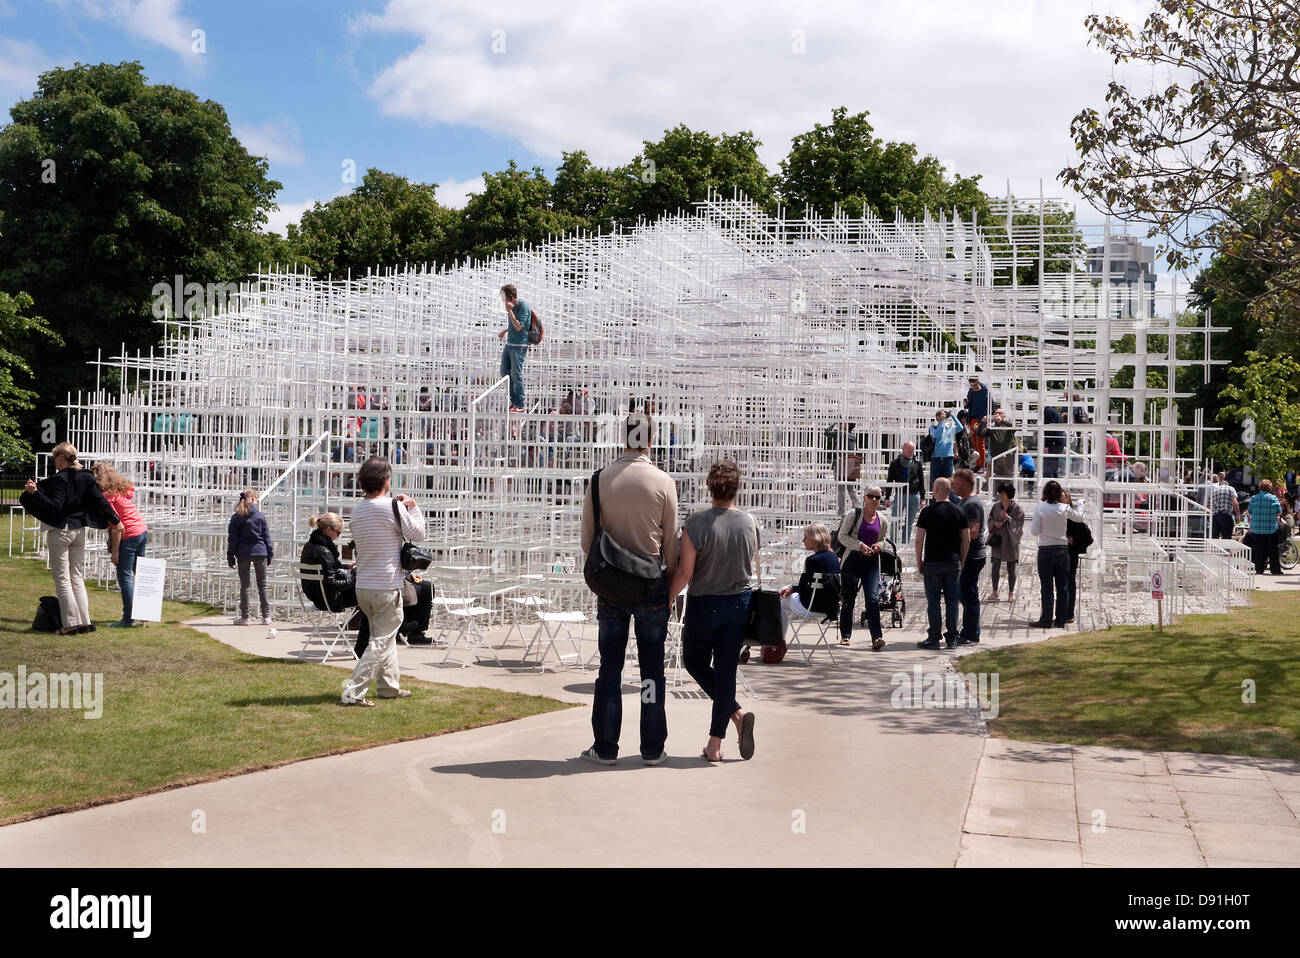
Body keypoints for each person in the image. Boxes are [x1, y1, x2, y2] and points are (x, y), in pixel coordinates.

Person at [579, 411, 679, 766]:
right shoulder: (663, 481)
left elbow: (587, 541)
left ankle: (605, 746)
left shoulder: (600, 479)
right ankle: (652, 748)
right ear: (650, 440)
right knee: (652, 671)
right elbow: (670, 545)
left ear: (622, 436)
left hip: (612, 586)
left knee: (610, 669)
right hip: (651, 584)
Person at [668, 460, 757, 763]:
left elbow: (685, 572)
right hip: (738, 603)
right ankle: (722, 735)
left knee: (693, 661)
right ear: (737, 488)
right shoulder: (749, 523)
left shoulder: (696, 523)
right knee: (725, 672)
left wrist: (669, 597)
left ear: (709, 487)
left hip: (705, 603)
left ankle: (723, 734)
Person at [341, 457, 426, 706]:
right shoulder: (392, 507)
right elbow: (418, 533)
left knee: (383, 637)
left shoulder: (357, 510)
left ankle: (389, 687)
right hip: (386, 584)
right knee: (380, 641)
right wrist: (413, 507)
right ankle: (353, 691)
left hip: (364, 585)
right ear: (385, 481)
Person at [19, 442, 122, 635]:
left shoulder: (60, 479)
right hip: (79, 530)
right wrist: (115, 519)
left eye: (55, 458)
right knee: (76, 576)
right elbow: (100, 501)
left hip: (61, 531)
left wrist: (36, 493)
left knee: (62, 579)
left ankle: (70, 624)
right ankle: (85, 621)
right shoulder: (86, 477)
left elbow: (55, 507)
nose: (54, 462)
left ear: (60, 458)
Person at [914, 477, 970, 650]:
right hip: (953, 561)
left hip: (933, 562)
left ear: (936, 490)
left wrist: (919, 560)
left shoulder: (927, 512)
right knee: (952, 602)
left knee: (934, 602)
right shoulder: (959, 512)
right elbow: (966, 539)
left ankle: (934, 637)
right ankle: (952, 638)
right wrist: (962, 559)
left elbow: (919, 539)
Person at [92, 461, 149, 628]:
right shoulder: (122, 491)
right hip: (142, 531)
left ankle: (128, 618)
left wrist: (115, 551)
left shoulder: (107, 497)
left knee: (124, 578)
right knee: (140, 574)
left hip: (128, 535)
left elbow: (118, 526)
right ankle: (144, 614)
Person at [836, 486, 888, 650]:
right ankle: (845, 634)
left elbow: (884, 539)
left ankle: (877, 637)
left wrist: (879, 545)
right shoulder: (854, 515)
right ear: (864, 498)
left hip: (871, 562)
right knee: (848, 599)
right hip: (852, 560)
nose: (874, 500)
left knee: (872, 599)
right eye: (871, 496)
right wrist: (859, 545)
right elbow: (842, 536)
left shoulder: (882, 519)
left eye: (877, 497)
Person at [1028, 480, 1085, 627]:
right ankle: (1060, 619)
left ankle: (1046, 619)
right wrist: (1080, 503)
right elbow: (1079, 517)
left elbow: (1034, 531)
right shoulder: (1065, 508)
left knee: (1046, 587)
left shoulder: (1040, 508)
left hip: (1046, 550)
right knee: (1062, 587)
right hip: (1062, 550)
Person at [778, 522, 842, 642]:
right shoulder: (834, 557)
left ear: (815, 539)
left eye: (806, 537)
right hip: (830, 607)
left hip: (811, 606)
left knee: (777, 601)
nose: (803, 540)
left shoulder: (811, 560)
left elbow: (803, 588)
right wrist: (792, 588)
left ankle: (778, 642)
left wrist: (791, 588)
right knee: (786, 591)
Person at [227, 488, 274, 626]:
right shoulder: (259, 516)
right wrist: (269, 554)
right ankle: (266, 616)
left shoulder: (236, 517)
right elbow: (267, 538)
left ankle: (245, 617)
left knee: (245, 586)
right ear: (253, 499)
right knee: (262, 585)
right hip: (260, 552)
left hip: (243, 553)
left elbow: (233, 540)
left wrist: (230, 557)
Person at [950, 469, 986, 645]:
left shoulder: (971, 504)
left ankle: (971, 634)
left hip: (972, 556)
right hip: (968, 555)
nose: (953, 488)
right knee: (964, 594)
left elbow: (973, 533)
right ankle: (968, 631)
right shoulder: (964, 502)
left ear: (966, 484)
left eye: (956, 484)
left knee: (968, 595)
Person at [987, 481, 1025, 603]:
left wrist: (1008, 518)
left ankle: (1011, 593)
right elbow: (990, 519)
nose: (1000, 495)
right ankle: (994, 592)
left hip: (1010, 541)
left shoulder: (1017, 508)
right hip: (998, 539)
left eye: (1002, 493)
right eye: (1000, 492)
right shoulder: (996, 506)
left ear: (1009, 494)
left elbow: (1019, 524)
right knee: (995, 567)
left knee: (1011, 569)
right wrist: (994, 524)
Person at [497, 283, 531, 412]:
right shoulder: (512, 307)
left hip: (519, 346)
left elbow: (519, 326)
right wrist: (505, 331)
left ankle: (520, 404)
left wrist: (510, 311)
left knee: (517, 374)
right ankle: (514, 401)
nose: (503, 300)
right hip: (510, 344)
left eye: (504, 297)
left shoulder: (523, 306)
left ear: (510, 297)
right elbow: (513, 324)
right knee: (504, 372)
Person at [886, 440, 925, 543]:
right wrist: (887, 497)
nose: (911, 453)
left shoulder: (917, 464)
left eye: (912, 451)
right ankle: (892, 542)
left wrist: (922, 497)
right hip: (900, 494)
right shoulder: (895, 463)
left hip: (914, 495)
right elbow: (889, 481)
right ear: (903, 449)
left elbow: (921, 481)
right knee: (895, 520)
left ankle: (905, 542)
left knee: (909, 522)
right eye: (909, 451)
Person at [1246, 479, 1283, 575]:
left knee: (1259, 550)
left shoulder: (1254, 498)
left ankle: (1259, 569)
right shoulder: (1274, 498)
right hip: (1271, 528)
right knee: (1273, 550)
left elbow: (1249, 511)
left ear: (1260, 487)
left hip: (1257, 528)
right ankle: (1275, 570)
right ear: (1270, 488)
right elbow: (1279, 511)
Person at [824, 421, 861, 515]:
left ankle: (841, 512)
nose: (839, 425)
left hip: (841, 463)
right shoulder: (852, 435)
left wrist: (833, 424)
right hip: (851, 463)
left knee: (841, 490)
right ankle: (858, 507)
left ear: (846, 425)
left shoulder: (841, 433)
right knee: (851, 488)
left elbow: (827, 432)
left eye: (841, 423)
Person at [977, 407, 1019, 480]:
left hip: (1008, 457)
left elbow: (1013, 428)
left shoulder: (1007, 424)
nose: (997, 415)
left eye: (1000, 413)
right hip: (996, 457)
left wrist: (1001, 421)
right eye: (996, 413)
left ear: (1004, 416)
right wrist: (983, 422)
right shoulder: (991, 427)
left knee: (1008, 478)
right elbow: (980, 434)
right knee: (996, 479)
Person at [927, 409, 964, 484]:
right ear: (937, 417)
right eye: (942, 414)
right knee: (935, 483)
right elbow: (937, 435)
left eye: (945, 414)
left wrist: (952, 416)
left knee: (949, 482)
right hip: (936, 459)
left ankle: (949, 496)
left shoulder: (950, 427)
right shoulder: (933, 428)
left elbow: (960, 427)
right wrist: (942, 422)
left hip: (948, 458)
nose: (945, 416)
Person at [963, 376, 990, 470]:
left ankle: (981, 465)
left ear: (978, 382)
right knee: (974, 442)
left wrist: (987, 417)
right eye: (972, 385)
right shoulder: (970, 392)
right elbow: (969, 405)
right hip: (972, 418)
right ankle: (978, 464)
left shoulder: (985, 392)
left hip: (980, 419)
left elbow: (990, 405)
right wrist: (966, 404)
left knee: (980, 442)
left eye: (974, 385)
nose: (973, 387)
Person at [1210, 471, 1240, 540]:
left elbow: (1210, 504)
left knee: (1214, 539)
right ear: (1227, 484)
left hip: (1215, 517)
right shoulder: (1230, 488)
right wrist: (1237, 514)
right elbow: (1234, 501)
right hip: (1225, 515)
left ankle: (1214, 550)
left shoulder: (1214, 490)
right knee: (1226, 538)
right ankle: (1225, 550)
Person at [1042, 405, 1066, 479]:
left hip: (1054, 443)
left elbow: (1049, 430)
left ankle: (1048, 487)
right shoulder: (1054, 412)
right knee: (1053, 468)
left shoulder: (1048, 412)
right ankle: (1056, 487)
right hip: (1058, 442)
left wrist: (1046, 446)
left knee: (1047, 469)